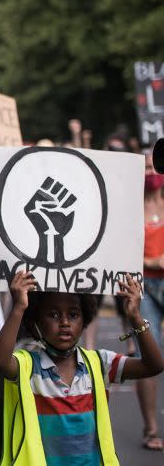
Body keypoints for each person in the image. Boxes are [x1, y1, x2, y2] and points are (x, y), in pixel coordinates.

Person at [0, 272, 164, 464]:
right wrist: (18, 307)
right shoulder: (28, 366)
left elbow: (153, 365)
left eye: (73, 315)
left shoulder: (100, 363)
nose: (65, 322)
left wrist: (135, 317)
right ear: (36, 322)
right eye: (53, 315)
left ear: (85, 321)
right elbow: (0, 360)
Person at [136, 150, 164, 451]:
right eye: (144, 166)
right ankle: (151, 428)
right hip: (144, 287)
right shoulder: (129, 209)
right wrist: (154, 259)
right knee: (149, 351)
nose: (150, 171)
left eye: (153, 165)